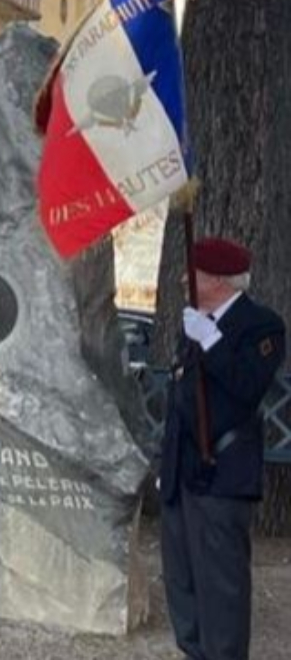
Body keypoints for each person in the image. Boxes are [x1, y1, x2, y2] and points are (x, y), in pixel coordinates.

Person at [160, 237, 286, 660]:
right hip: (183, 471)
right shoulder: (195, 321)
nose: (182, 278)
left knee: (221, 588)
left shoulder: (260, 325)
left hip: (221, 473)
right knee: (183, 581)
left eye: (190, 272)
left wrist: (211, 341)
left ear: (215, 280)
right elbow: (182, 400)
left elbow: (246, 387)